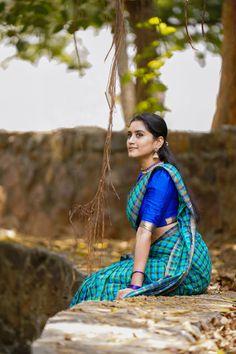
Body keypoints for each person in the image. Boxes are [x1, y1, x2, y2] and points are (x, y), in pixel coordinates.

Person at [69, 113, 212, 306]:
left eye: (139, 135)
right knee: (93, 282)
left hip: (183, 265)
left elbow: (145, 231)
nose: (131, 141)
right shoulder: (147, 174)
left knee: (98, 285)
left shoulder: (161, 177)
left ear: (158, 142)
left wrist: (135, 287)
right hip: (161, 256)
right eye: (130, 135)